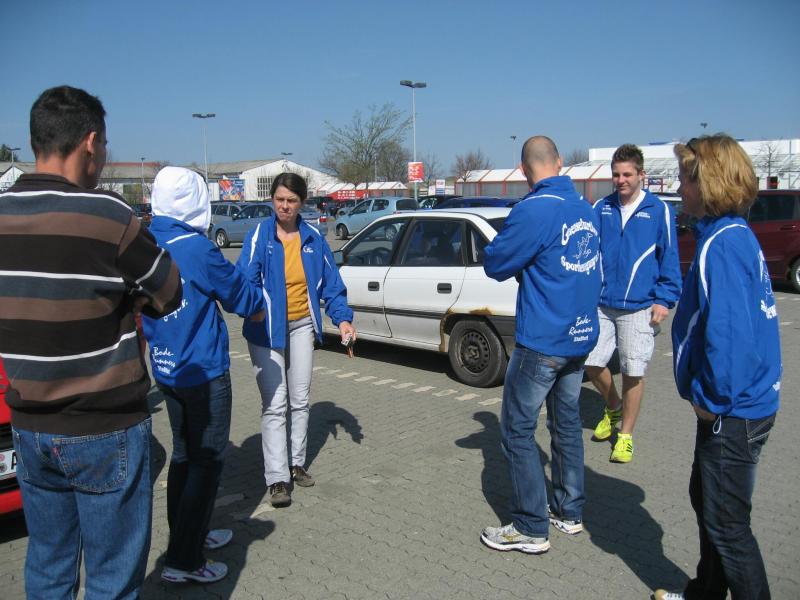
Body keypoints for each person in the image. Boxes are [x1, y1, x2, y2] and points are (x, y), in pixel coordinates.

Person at [0, 86, 182, 599]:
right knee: (112, 577)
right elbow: (169, 292)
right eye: (103, 146)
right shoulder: (108, 215)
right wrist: (126, 297)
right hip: (104, 428)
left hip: (29, 426)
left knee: (48, 567)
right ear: (90, 142)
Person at [654, 134, 780, 600]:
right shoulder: (732, 235)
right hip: (739, 407)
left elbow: (730, 339)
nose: (679, 188)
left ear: (707, 182)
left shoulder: (723, 245)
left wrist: (711, 402)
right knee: (707, 501)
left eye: (684, 179)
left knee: (729, 528)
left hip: (731, 411)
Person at [141, 167, 265, 584]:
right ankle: (184, 560)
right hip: (203, 371)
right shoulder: (196, 248)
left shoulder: (147, 241)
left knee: (183, 455)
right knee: (206, 462)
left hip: (165, 367)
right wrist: (259, 304)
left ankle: (189, 535)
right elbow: (240, 295)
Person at [480, 136, 601, 554]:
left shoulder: (533, 209)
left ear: (523, 169)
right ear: (560, 161)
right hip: (579, 336)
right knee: (566, 423)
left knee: (517, 429)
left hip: (543, 341)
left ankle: (530, 526)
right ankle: (569, 510)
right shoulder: (585, 208)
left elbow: (495, 262)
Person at [238, 172, 355, 508]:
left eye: (291, 200)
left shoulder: (313, 238)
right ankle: (277, 479)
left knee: (300, 399)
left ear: (302, 202)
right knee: (275, 403)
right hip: (266, 330)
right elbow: (245, 279)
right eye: (279, 199)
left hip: (302, 325)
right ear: (272, 200)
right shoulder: (259, 235)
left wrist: (343, 319)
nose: (284, 206)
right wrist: (252, 308)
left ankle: (296, 463)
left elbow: (332, 284)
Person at [585, 144, 681, 463]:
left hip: (639, 306)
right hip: (602, 303)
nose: (621, 180)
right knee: (592, 362)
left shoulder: (658, 210)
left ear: (641, 174)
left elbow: (669, 256)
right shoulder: (602, 207)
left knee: (632, 371)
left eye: (627, 174)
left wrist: (665, 299)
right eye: (616, 174)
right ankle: (613, 406)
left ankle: (625, 436)